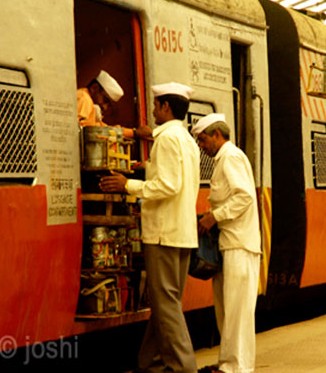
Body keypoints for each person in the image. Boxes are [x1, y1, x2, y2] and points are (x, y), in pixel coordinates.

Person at [99, 82, 200, 373]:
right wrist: (146, 169)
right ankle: (150, 362)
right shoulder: (186, 140)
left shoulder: (167, 140)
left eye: (156, 105)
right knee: (165, 301)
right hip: (181, 232)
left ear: (166, 107)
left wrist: (128, 184)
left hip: (164, 233)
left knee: (166, 304)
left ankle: (184, 367)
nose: (153, 110)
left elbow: (169, 185)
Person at [191, 114, 261, 373]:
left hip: (239, 246)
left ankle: (235, 367)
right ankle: (230, 363)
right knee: (228, 310)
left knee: (237, 311)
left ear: (217, 135)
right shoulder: (224, 159)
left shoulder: (230, 157)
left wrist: (213, 216)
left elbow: (244, 197)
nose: (202, 145)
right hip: (230, 244)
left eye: (204, 139)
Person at [77, 69, 152, 140]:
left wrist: (134, 132)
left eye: (109, 105)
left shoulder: (85, 98)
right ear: (94, 88)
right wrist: (134, 132)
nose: (105, 107)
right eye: (105, 100)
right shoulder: (85, 99)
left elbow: (102, 129)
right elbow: (83, 130)